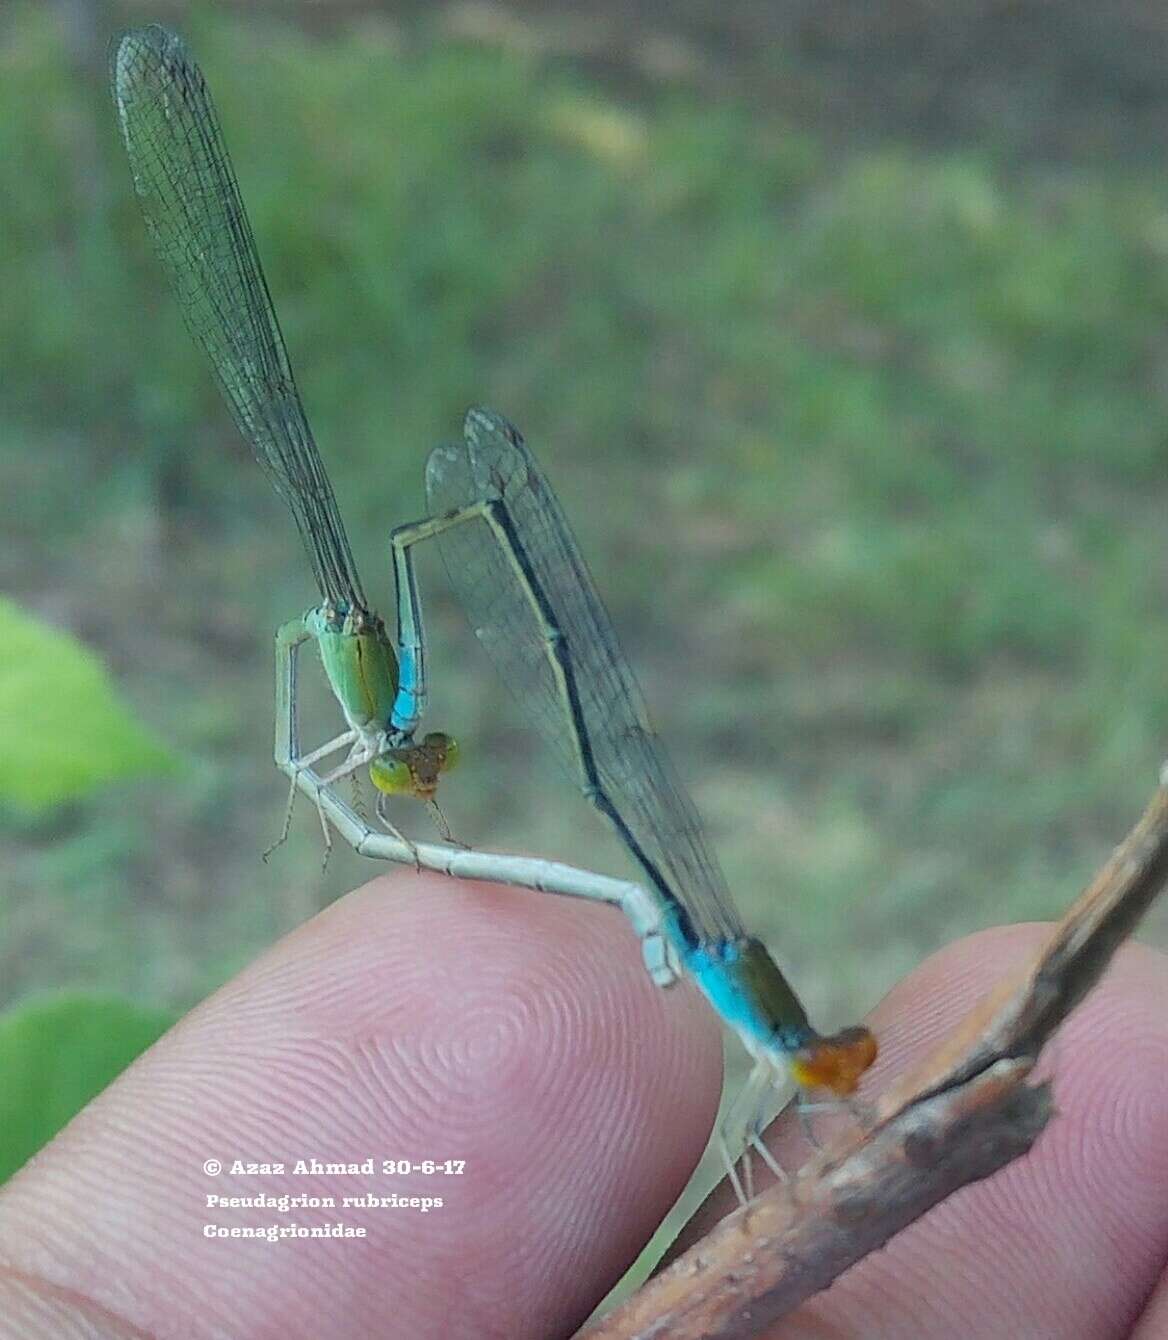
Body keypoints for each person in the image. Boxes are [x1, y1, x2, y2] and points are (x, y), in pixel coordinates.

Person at [0, 871, 1164, 1337]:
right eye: (843, 1060)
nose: (847, 1075)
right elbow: (771, 1134)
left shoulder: (805, 1065)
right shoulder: (788, 1058)